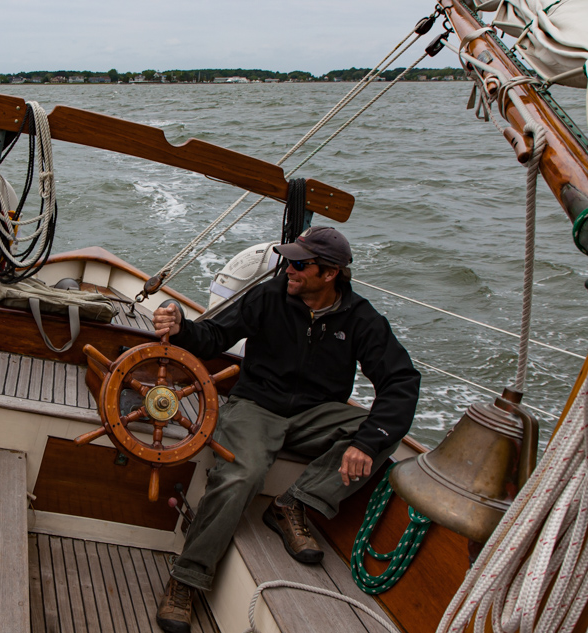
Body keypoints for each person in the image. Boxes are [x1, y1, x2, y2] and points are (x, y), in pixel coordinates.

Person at [153, 226, 420, 633]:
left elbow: (401, 381)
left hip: (315, 413)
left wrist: (366, 442)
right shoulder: (269, 296)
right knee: (242, 474)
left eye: (298, 264)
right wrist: (181, 326)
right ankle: (186, 579)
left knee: (382, 434)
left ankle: (292, 503)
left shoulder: (362, 319)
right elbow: (214, 336)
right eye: (288, 261)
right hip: (256, 406)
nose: (288, 269)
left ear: (329, 274)